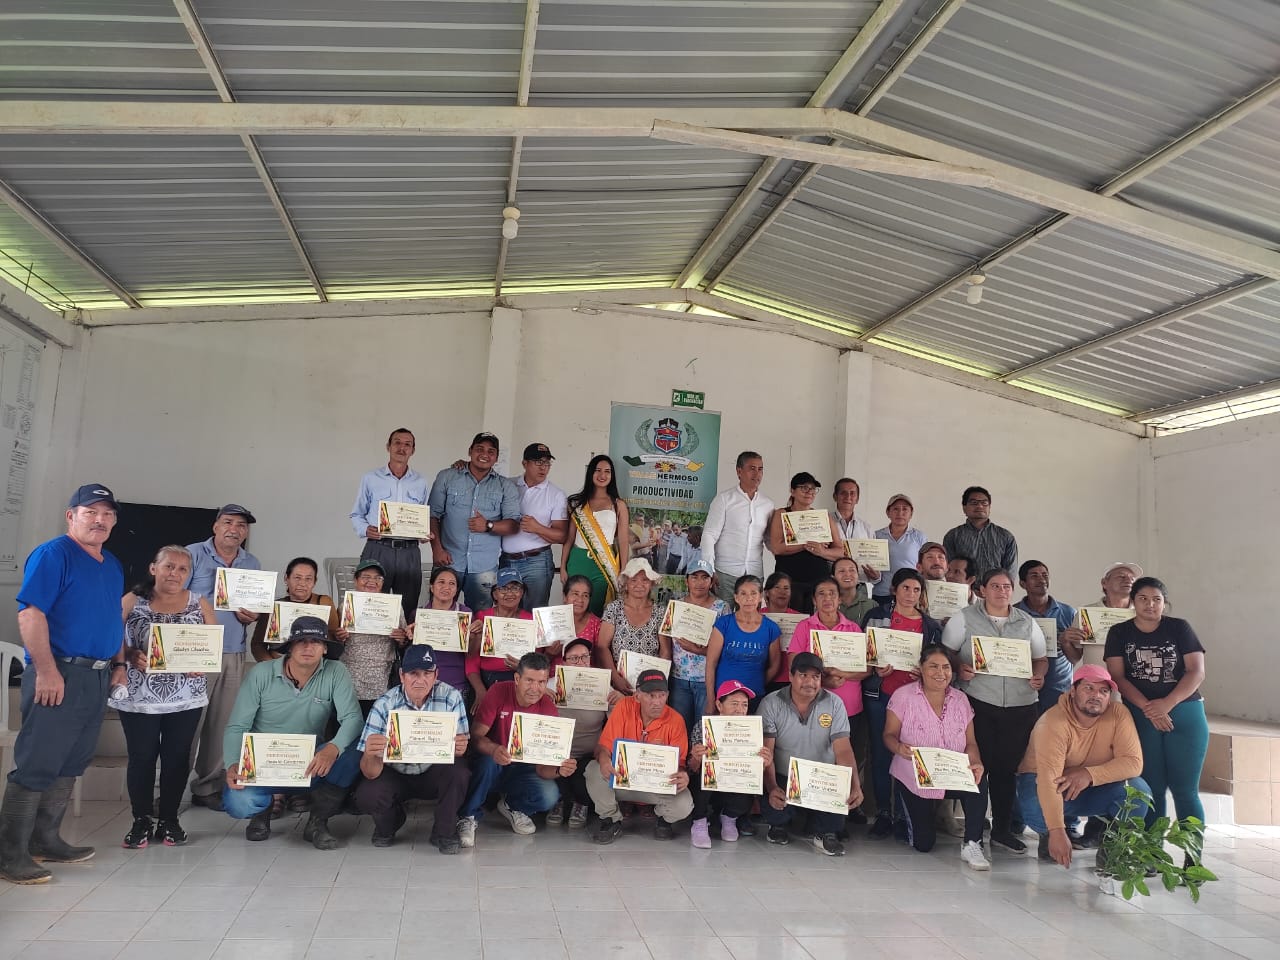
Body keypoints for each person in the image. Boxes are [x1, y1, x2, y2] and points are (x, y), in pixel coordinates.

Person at [1, 484, 124, 885]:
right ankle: (9, 855)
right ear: (71, 516)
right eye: (91, 512)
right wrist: (47, 670)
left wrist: (119, 663)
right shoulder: (54, 554)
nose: (99, 520)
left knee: (71, 761)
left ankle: (45, 839)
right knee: (37, 762)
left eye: (107, 514)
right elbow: (30, 614)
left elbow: (112, 618)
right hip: (60, 673)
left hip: (97, 675)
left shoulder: (111, 564)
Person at [222, 617, 364, 850]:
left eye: (316, 641)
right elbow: (237, 726)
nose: (308, 647)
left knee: (355, 750)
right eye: (301, 641)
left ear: (325, 648)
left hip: (310, 763)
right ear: (290, 646)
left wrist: (333, 747)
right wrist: (232, 763)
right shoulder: (260, 673)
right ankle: (262, 810)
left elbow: (353, 719)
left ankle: (318, 821)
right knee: (239, 802)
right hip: (263, 764)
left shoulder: (336, 671)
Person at [116, 545, 217, 850]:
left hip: (185, 696)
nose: (175, 573)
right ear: (154, 568)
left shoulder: (199, 603)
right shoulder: (132, 600)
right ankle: (141, 820)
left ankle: (170, 820)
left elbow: (211, 645)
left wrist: (202, 663)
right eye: (169, 566)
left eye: (182, 569)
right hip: (139, 695)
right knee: (142, 757)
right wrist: (129, 655)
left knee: (177, 757)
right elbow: (110, 636)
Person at [942, 568, 1048, 854]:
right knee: (978, 767)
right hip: (978, 701)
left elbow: (1041, 658)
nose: (1002, 591)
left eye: (1006, 587)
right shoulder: (964, 618)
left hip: (1020, 705)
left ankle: (1002, 830)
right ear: (982, 590)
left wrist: (1039, 675)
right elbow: (946, 653)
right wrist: (959, 667)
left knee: (1006, 770)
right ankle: (974, 834)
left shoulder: (1026, 622)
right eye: (995, 586)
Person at [1017, 665, 1148, 867]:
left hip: (1091, 786)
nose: (1096, 695)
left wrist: (1088, 774)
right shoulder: (1052, 722)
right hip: (1052, 785)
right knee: (1036, 803)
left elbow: (1133, 762)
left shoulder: (1118, 713)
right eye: (1088, 688)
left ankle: (1113, 845)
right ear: (1073, 691)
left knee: (1137, 791)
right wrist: (1056, 831)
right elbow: (1048, 781)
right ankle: (1048, 835)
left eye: (1104, 691)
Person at [1105, 577, 1207, 831]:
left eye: (1156, 599)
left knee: (1185, 791)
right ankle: (1152, 850)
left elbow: (1196, 671)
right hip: (1141, 715)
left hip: (1185, 712)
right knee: (1151, 788)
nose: (1150, 604)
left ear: (1164, 603)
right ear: (1133, 601)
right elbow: (1118, 676)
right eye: (1143, 598)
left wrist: (1167, 704)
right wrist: (1150, 708)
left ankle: (1193, 853)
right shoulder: (1119, 632)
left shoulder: (1179, 628)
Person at [355, 644, 471, 853]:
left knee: (459, 772)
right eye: (413, 673)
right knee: (367, 794)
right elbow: (369, 772)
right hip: (396, 774)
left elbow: (459, 751)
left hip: (433, 770)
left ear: (436, 675)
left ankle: (444, 831)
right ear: (402, 675)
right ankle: (391, 822)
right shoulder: (384, 704)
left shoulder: (451, 697)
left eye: (427, 673)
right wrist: (371, 754)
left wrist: (460, 747)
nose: (420, 680)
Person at [883, 645, 990, 870]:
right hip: (916, 776)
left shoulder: (960, 699)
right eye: (933, 666)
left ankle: (972, 843)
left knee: (979, 779)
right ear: (921, 668)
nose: (940, 673)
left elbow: (970, 742)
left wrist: (976, 762)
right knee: (924, 844)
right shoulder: (904, 696)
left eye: (946, 667)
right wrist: (899, 748)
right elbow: (889, 735)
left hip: (951, 774)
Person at [185, 503, 261, 812]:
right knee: (187, 723)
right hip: (195, 651)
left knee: (221, 724)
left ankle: (207, 787)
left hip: (233, 651)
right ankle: (172, 789)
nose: (235, 530)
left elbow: (254, 607)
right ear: (215, 526)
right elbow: (173, 595)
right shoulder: (192, 554)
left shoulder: (251, 562)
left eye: (241, 525)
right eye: (228, 522)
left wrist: (252, 615)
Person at [457, 652, 574, 847]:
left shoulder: (547, 707)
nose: (535, 688)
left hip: (524, 770)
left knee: (550, 795)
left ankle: (513, 806)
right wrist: (494, 749)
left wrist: (559, 770)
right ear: (517, 678)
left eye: (541, 682)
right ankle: (468, 816)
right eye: (529, 680)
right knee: (487, 762)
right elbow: (475, 738)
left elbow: (542, 769)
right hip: (494, 765)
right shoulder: (498, 691)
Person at [860, 569, 942, 839]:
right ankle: (884, 812)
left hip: (914, 700)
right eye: (905, 588)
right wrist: (874, 668)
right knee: (881, 754)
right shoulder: (876, 616)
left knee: (909, 755)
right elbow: (862, 654)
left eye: (916, 590)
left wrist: (925, 673)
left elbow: (936, 661)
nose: (911, 594)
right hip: (881, 694)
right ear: (894, 590)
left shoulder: (930, 626)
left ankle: (904, 815)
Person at [759, 653, 863, 855]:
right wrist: (771, 787)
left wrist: (855, 785)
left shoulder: (834, 703)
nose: (810, 682)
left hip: (822, 779)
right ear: (791, 676)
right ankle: (778, 825)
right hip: (785, 777)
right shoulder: (771, 703)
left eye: (816, 677)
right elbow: (766, 752)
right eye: (803, 675)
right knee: (776, 807)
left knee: (834, 821)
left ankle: (825, 834)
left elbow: (843, 750)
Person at [588, 668, 693, 844]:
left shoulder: (676, 720)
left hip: (655, 787)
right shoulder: (624, 707)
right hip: (622, 780)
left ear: (667, 695)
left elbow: (680, 764)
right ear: (637, 696)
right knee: (593, 770)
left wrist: (683, 775)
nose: (657, 702)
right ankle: (611, 819)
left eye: (661, 695)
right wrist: (605, 760)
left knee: (684, 804)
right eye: (651, 696)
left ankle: (664, 820)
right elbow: (603, 747)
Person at [429, 432, 523, 612]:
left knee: (480, 617)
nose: (485, 454)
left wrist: (488, 526)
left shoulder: (505, 486)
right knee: (440, 613)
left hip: (484, 567)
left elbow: (513, 525)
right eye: (480, 449)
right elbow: (433, 514)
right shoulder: (447, 477)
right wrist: (437, 549)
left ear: (496, 457)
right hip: (448, 560)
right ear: (470, 451)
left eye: (491, 451)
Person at [350, 427, 429, 621]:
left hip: (409, 552)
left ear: (413, 450)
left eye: (407, 444)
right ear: (388, 446)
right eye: (397, 443)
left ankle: (403, 641)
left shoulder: (420, 482)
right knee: (371, 604)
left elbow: (424, 517)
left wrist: (424, 533)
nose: (402, 448)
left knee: (408, 607)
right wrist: (365, 529)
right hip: (378, 548)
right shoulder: (371, 478)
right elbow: (356, 514)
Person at [547, 638, 619, 829]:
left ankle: (581, 804)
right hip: (557, 752)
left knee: (586, 775)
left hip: (590, 753)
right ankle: (559, 802)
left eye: (584, 657)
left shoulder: (603, 685)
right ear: (563, 662)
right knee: (556, 773)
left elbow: (616, 724)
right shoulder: (550, 685)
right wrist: (540, 696)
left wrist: (619, 701)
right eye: (574, 658)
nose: (580, 662)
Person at [687, 680, 767, 848]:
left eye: (744, 705)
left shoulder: (752, 730)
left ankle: (729, 818)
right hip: (709, 787)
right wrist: (696, 758)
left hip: (734, 781)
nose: (740, 710)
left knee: (748, 787)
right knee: (701, 776)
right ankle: (699, 822)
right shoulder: (704, 727)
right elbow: (692, 769)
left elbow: (756, 770)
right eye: (734, 704)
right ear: (719, 705)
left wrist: (764, 762)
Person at [334, 559, 410, 715]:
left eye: (377, 578)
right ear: (356, 580)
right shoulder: (345, 606)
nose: (372, 581)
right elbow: (335, 643)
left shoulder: (393, 606)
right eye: (366, 577)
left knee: (377, 723)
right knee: (349, 722)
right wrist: (339, 637)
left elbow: (403, 642)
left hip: (381, 678)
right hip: (350, 676)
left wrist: (401, 638)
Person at [500, 443, 568, 610]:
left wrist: (537, 528)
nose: (543, 467)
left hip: (537, 561)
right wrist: (463, 465)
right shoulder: (508, 485)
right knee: (506, 612)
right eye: (538, 462)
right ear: (524, 463)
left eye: (547, 463)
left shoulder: (556, 494)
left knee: (534, 613)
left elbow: (562, 536)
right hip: (506, 560)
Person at [666, 559, 729, 732]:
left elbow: (726, 648)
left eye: (704, 577)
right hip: (679, 678)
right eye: (694, 577)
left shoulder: (721, 608)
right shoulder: (676, 606)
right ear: (686, 580)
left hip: (706, 680)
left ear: (711, 582)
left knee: (704, 731)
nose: (699, 582)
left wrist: (697, 650)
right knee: (679, 729)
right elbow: (665, 642)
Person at [702, 451, 774, 603]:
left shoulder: (767, 504)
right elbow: (709, 535)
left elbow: (769, 539)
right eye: (752, 468)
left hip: (754, 574)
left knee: (751, 616)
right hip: (725, 574)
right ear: (739, 471)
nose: (757, 474)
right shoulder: (724, 499)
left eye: (760, 469)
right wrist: (709, 569)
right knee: (724, 615)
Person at [562, 455, 630, 617]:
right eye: (598, 470)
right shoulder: (577, 503)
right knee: (574, 608)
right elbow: (569, 539)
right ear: (591, 473)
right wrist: (563, 567)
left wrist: (624, 570)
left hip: (603, 564)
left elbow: (623, 540)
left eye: (607, 471)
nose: (602, 475)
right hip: (578, 561)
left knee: (598, 609)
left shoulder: (618, 504)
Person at [704, 576, 781, 716]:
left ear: (760, 597)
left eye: (753, 593)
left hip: (755, 696)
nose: (748, 598)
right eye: (743, 593)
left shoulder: (771, 628)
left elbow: (775, 665)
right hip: (724, 697)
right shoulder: (724, 624)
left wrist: (757, 681)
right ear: (736, 597)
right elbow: (711, 664)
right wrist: (711, 700)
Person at [766, 472, 842, 613]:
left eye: (813, 489)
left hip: (818, 580)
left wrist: (822, 551)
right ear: (792, 491)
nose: (809, 492)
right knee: (790, 621)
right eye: (804, 488)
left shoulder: (823, 517)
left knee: (816, 621)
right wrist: (806, 544)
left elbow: (840, 552)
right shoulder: (782, 514)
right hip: (789, 580)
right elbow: (777, 548)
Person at [464, 568, 535, 709]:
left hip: (520, 680)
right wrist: (480, 690)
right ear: (495, 594)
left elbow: (537, 661)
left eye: (515, 588)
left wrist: (523, 667)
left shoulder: (531, 620)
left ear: (522, 592)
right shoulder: (483, 618)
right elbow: (471, 660)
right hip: (486, 680)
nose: (510, 593)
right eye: (503, 588)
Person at [598, 558, 670, 695]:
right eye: (634, 580)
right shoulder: (614, 609)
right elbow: (602, 646)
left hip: (650, 688)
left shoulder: (660, 612)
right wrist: (616, 678)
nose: (639, 585)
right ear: (626, 584)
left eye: (645, 580)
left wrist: (656, 683)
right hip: (619, 684)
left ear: (651, 583)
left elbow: (665, 651)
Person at [1014, 561, 1077, 714]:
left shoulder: (1068, 612)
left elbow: (1075, 659)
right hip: (1023, 688)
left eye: (1045, 575)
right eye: (1034, 576)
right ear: (1023, 583)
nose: (1041, 579)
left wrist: (1065, 643)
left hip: (1059, 689)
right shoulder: (1014, 613)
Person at [250, 556, 340, 662]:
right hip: (277, 663)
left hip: (313, 664)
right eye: (297, 577)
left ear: (314, 581)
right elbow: (257, 645)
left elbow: (334, 639)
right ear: (286, 578)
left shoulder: (324, 602)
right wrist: (271, 666)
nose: (302, 583)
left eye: (308, 579)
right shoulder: (274, 607)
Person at [1060, 561, 1141, 665]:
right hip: (1094, 675)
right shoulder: (1086, 614)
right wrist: (1065, 642)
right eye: (1121, 576)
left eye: (1132, 578)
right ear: (1104, 583)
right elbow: (1074, 659)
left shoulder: (1141, 614)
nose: (1128, 580)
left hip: (1131, 675)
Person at [412, 566, 471, 698]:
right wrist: (408, 639)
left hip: (455, 683)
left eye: (452, 584)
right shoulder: (418, 614)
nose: (446, 587)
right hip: (423, 683)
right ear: (432, 587)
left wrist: (474, 637)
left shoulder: (465, 614)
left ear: (456, 590)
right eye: (441, 582)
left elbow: (471, 653)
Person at [942, 486, 1018, 581]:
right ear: (964, 508)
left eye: (984, 503)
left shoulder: (1005, 536)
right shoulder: (953, 536)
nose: (980, 506)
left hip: (994, 588)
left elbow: (1010, 571)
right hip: (964, 589)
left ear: (989, 507)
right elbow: (949, 570)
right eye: (974, 503)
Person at [830, 477, 881, 598]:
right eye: (843, 493)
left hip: (860, 587)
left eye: (852, 493)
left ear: (857, 499)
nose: (848, 497)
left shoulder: (866, 528)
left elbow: (876, 564)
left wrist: (876, 576)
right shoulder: (825, 522)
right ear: (835, 496)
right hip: (832, 586)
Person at [873, 494, 927, 605]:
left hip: (909, 595)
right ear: (888, 512)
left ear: (911, 513)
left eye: (905, 509)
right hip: (882, 593)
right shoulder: (876, 536)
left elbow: (925, 566)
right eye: (895, 509)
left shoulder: (919, 537)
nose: (900, 513)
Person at [760, 571, 799, 693]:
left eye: (786, 588)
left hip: (789, 679)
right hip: (761, 676)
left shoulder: (801, 620)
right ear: (767, 592)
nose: (782, 592)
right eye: (777, 587)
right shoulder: (757, 616)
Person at [563, 574, 602, 652]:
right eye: (575, 594)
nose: (580, 600)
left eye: (585, 595)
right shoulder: (551, 620)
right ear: (565, 597)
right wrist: (549, 653)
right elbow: (539, 656)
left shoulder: (596, 624)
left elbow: (600, 657)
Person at [833, 556, 875, 625]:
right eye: (841, 571)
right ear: (833, 578)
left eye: (852, 570)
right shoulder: (826, 603)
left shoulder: (871, 605)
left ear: (858, 575)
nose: (847, 574)